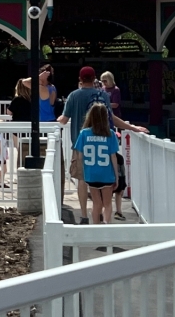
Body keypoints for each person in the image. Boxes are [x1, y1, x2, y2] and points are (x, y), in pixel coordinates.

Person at [57, 67, 148, 224]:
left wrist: (52, 120)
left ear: (80, 78)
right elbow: (111, 118)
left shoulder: (73, 96)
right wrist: (133, 127)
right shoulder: (103, 95)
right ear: (94, 79)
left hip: (80, 146)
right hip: (104, 146)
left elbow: (63, 120)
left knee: (82, 180)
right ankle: (104, 220)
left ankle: (84, 215)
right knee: (105, 189)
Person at [71, 103, 120, 224]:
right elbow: (113, 156)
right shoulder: (110, 134)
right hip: (106, 174)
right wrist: (117, 176)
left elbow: (80, 155)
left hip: (91, 174)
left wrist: (83, 171)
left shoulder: (84, 133)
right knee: (107, 204)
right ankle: (107, 226)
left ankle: (95, 227)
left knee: (96, 203)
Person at [99, 71, 125, 218]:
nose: (104, 83)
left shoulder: (115, 90)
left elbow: (116, 104)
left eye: (105, 80)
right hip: (107, 123)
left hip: (113, 120)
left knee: (115, 156)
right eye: (102, 81)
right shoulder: (102, 91)